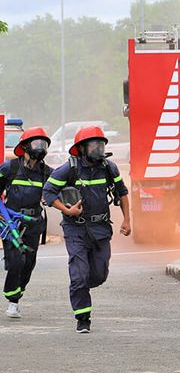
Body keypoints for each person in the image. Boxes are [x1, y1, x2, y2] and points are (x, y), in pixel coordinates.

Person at [42, 125, 130, 333]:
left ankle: (79, 286)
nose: (98, 149)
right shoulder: (69, 169)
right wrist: (67, 210)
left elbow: (122, 192)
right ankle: (83, 318)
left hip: (101, 229)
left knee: (99, 275)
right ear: (82, 148)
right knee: (79, 274)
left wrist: (127, 220)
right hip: (76, 229)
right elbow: (48, 192)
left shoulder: (109, 168)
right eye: (93, 145)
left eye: (101, 144)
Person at [0, 127, 53, 318]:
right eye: (36, 143)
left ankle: (17, 294)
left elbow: (62, 186)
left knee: (29, 263)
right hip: (11, 223)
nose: (40, 148)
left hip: (34, 223)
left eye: (43, 144)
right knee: (16, 260)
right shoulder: (10, 168)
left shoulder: (46, 172)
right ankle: (12, 300)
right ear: (25, 147)